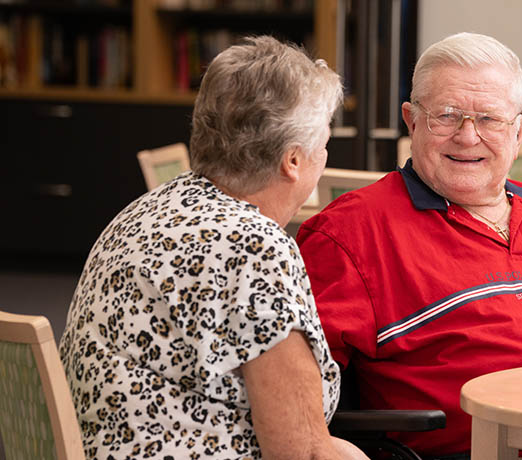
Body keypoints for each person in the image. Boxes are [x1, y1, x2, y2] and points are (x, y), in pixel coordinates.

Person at [296, 32, 522, 460]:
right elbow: (293, 407)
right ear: (412, 120)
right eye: (447, 116)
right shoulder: (347, 234)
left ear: (520, 131)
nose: (468, 136)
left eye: (489, 119)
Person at [59, 36, 367, 460]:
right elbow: (303, 453)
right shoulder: (254, 248)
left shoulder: (146, 208)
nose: (326, 154)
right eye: (324, 143)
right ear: (293, 161)